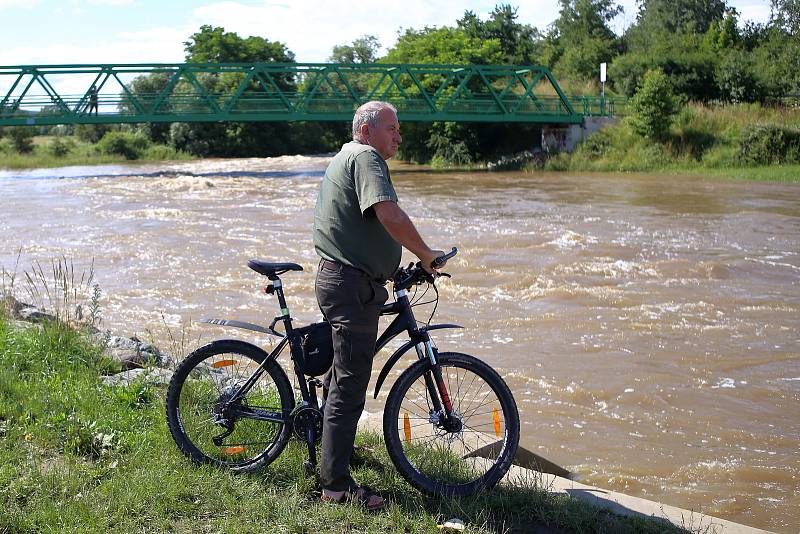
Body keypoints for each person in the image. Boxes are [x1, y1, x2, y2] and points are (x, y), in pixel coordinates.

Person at [313, 101, 445, 510]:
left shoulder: (348, 156)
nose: (399, 136)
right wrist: (425, 254)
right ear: (367, 130)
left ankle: (332, 455)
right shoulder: (366, 157)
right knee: (349, 386)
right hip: (351, 287)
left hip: (348, 281)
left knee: (341, 378)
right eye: (392, 128)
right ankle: (335, 487)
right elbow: (386, 212)